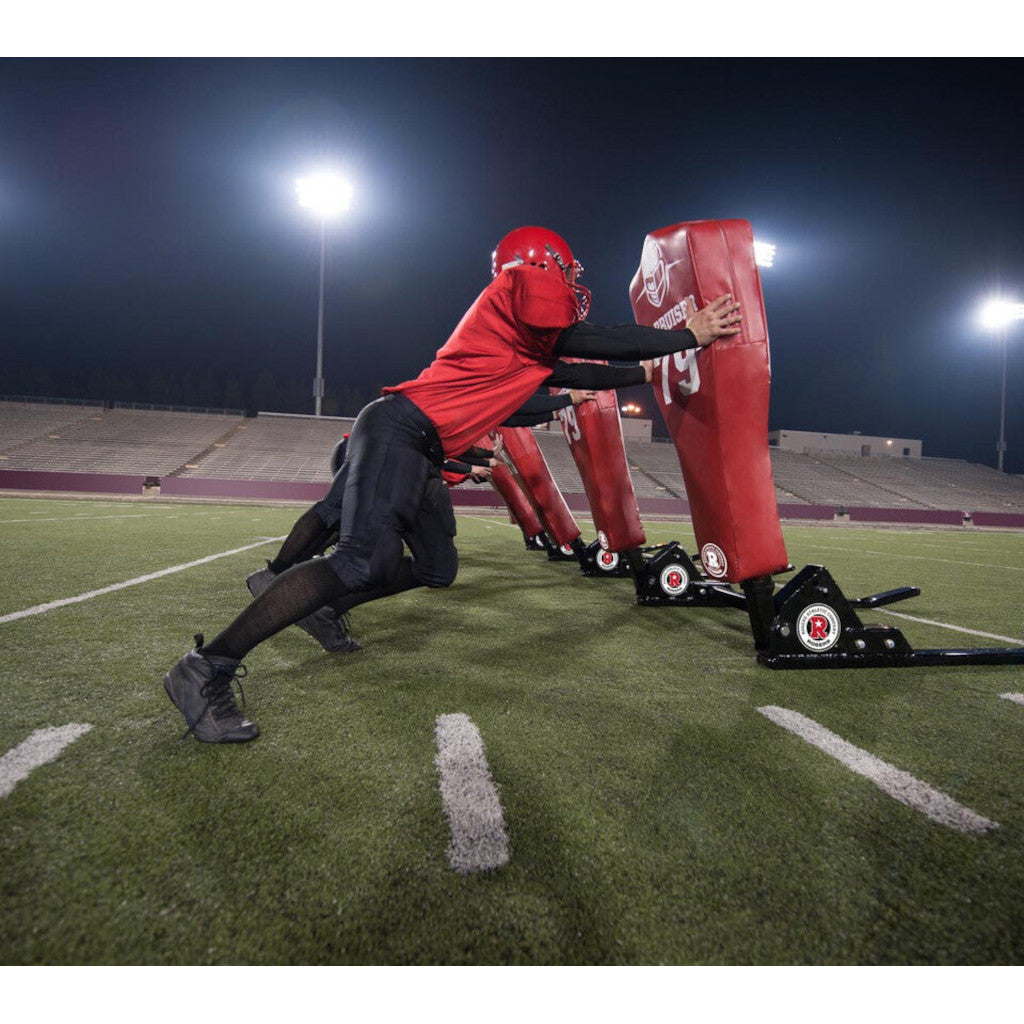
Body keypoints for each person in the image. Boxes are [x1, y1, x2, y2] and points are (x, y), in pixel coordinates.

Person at [163, 225, 742, 742]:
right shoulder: (519, 288)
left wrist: (646, 369)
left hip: (422, 446)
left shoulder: (526, 343)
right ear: (541, 267)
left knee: (434, 567)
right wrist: (685, 335)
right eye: (566, 271)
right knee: (362, 559)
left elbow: (581, 366)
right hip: (400, 428)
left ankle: (323, 607)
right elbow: (589, 342)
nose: (570, 283)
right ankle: (208, 665)